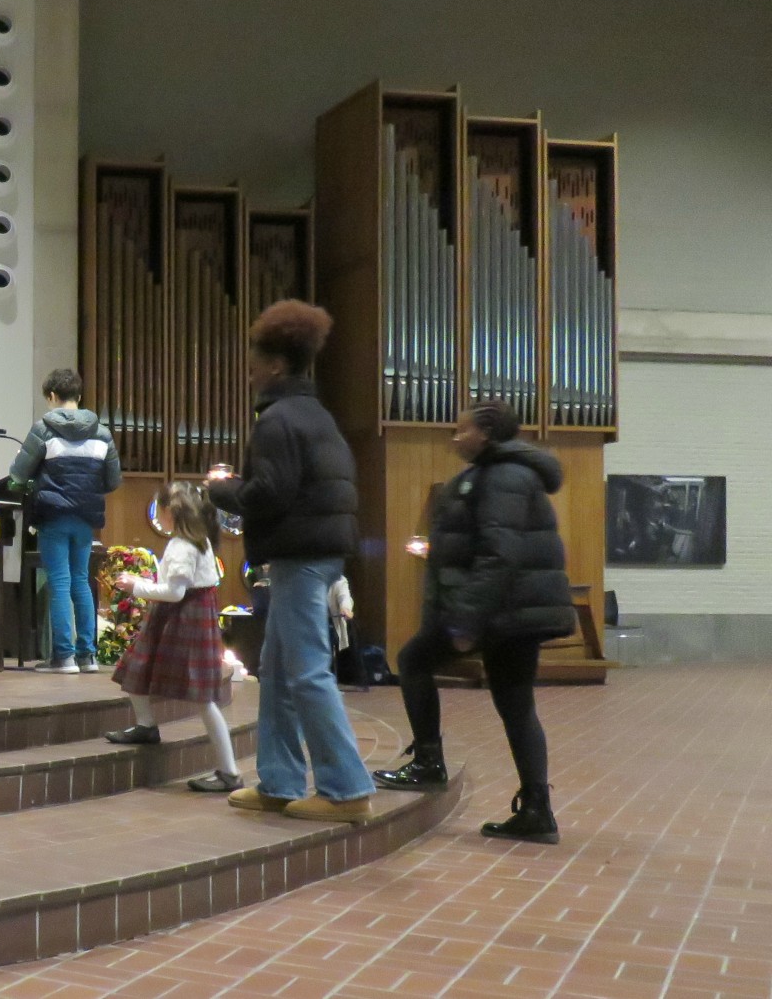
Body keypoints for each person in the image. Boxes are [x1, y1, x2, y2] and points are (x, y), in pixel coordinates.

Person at [373, 398, 573, 845]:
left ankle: (428, 762)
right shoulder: (496, 473)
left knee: (413, 660)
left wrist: (465, 619)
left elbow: (499, 554)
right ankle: (537, 809)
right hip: (513, 609)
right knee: (516, 703)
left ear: (486, 434)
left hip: (502, 610)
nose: (455, 437)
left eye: (462, 430)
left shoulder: (502, 476)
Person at [209, 300, 372, 822]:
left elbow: (270, 493)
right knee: (277, 674)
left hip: (299, 558)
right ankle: (279, 782)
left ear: (276, 365)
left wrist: (223, 489)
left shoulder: (278, 420)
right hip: (315, 553)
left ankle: (347, 791)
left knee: (307, 676)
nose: (250, 369)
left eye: (256, 360)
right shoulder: (316, 415)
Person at [106, 481, 243, 794]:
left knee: (203, 698)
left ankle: (230, 772)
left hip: (185, 617)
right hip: (181, 615)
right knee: (136, 667)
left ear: (169, 512)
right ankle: (145, 726)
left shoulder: (183, 544)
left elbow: (174, 591)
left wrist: (135, 586)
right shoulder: (198, 538)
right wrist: (142, 581)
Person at [6, 367, 121, 673]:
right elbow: (113, 481)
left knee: (59, 582)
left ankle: (63, 657)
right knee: (81, 581)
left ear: (53, 396)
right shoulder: (102, 433)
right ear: (79, 397)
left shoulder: (43, 430)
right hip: (86, 519)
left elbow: (17, 476)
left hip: (53, 516)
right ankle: (87, 656)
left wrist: (31, 483)